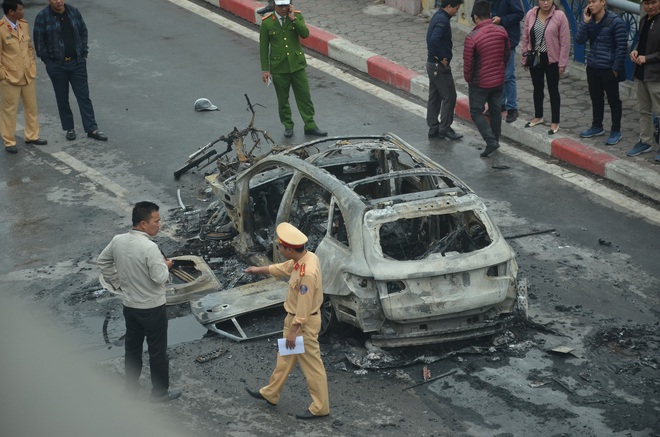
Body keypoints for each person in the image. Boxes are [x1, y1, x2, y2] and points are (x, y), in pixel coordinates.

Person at [97, 201, 181, 403]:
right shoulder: (149, 247)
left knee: (132, 348)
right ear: (143, 224)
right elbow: (160, 278)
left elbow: (103, 261)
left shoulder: (118, 240)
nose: (159, 224)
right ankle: (159, 393)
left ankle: (130, 389)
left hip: (130, 306)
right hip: (152, 308)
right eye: (156, 220)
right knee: (157, 351)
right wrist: (166, 265)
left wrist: (117, 283)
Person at [244, 222, 330, 420]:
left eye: (281, 247)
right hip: (294, 322)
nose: (280, 249)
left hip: (301, 325)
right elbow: (285, 267)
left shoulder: (307, 273)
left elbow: (304, 304)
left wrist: (294, 330)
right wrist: (259, 270)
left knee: (312, 367)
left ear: (289, 249)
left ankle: (320, 407)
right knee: (284, 360)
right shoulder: (306, 258)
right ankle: (271, 393)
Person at [33, 0, 107, 142]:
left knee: (83, 96)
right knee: (62, 98)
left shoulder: (73, 12)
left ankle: (92, 128)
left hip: (77, 63)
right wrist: (48, 62)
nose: (59, 1)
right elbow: (39, 42)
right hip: (57, 66)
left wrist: (83, 53)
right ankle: (69, 128)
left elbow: (83, 32)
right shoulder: (42, 17)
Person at [259, 0, 326, 139]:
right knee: (283, 100)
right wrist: (265, 69)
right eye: (280, 6)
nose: (283, 9)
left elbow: (305, 34)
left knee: (305, 97)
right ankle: (288, 125)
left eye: (286, 5)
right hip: (279, 68)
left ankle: (310, 125)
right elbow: (264, 48)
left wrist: (293, 19)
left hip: (297, 66)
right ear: (274, 6)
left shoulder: (296, 17)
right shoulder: (267, 22)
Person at [575, 0, 627, 145]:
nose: (591, 5)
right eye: (589, 2)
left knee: (614, 101)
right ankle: (597, 126)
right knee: (596, 98)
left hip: (608, 68)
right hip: (592, 66)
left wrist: (615, 69)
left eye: (594, 1)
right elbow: (579, 40)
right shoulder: (589, 21)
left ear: (603, 2)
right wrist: (585, 22)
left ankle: (616, 130)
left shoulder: (615, 21)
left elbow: (621, 47)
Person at [464, 0, 510, 157]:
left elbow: (468, 64)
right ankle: (495, 139)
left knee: (476, 112)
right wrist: (500, 70)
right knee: (496, 110)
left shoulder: (472, 37)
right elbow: (506, 54)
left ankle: (491, 141)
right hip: (498, 80)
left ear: (476, 17)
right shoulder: (502, 31)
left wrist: (469, 79)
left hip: (480, 82)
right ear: (489, 15)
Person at [0, 0, 47, 154]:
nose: (23, 11)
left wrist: (32, 65)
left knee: (31, 106)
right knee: (9, 110)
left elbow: (28, 47)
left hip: (27, 74)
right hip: (10, 77)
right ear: (11, 12)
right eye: (20, 9)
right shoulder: (1, 29)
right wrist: (3, 76)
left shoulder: (23, 24)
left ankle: (32, 135)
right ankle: (9, 141)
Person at [521, 0, 570, 135]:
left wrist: (562, 63)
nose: (546, 2)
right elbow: (526, 37)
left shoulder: (559, 16)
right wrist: (525, 57)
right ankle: (538, 116)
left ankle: (555, 121)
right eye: (543, 0)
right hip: (535, 57)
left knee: (553, 89)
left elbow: (565, 42)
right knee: (537, 88)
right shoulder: (531, 14)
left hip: (552, 58)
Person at [471, 0, 523, 123]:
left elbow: (519, 14)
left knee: (508, 75)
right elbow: (474, 14)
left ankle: (512, 108)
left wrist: (502, 20)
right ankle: (499, 104)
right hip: (487, 41)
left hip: (507, 40)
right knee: (494, 74)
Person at [426, 0, 464, 140]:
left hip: (431, 64)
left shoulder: (438, 16)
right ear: (449, 7)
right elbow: (434, 40)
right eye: (456, 8)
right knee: (449, 96)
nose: (457, 11)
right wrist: (442, 57)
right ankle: (445, 128)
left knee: (434, 96)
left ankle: (433, 127)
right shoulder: (443, 21)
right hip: (438, 66)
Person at [626, 0, 659, 159]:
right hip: (640, 73)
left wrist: (648, 58)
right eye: (647, 3)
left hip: (656, 75)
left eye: (654, 2)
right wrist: (636, 50)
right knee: (643, 110)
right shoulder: (644, 20)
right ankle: (645, 141)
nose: (650, 6)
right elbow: (641, 41)